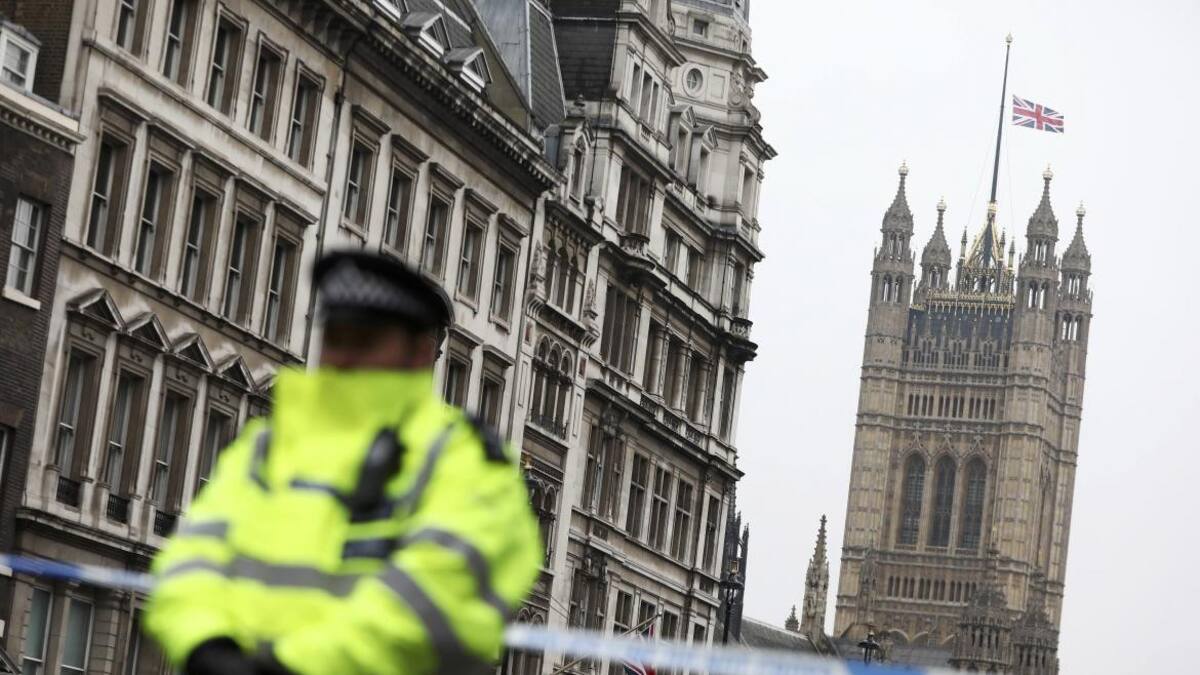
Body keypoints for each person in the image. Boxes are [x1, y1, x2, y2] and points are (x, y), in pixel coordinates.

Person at [145, 251, 542, 675]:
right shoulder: (270, 446)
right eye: (335, 338)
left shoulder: (467, 463)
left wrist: (285, 667)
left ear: (419, 355)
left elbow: (432, 603)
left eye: (365, 342)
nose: (343, 358)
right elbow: (191, 556)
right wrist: (206, 644)